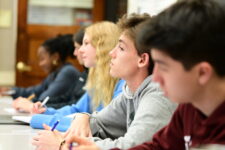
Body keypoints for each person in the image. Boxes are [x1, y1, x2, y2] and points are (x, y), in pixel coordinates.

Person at [61, 0, 225, 150]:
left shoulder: (163, 96)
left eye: (164, 67)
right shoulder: (189, 108)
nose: (156, 78)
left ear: (202, 73)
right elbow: (155, 147)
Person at [32, 14, 177, 150]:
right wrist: (84, 118)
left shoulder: (158, 95)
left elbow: (131, 146)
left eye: (121, 48)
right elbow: (98, 124)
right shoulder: (130, 92)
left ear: (142, 60)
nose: (111, 53)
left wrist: (66, 145)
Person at [29, 21, 125, 133]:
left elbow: (96, 125)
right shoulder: (98, 81)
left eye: (86, 43)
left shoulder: (122, 85)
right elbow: (77, 110)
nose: (80, 50)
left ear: (102, 46)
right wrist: (45, 111)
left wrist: (38, 119)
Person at [1, 34, 81, 110]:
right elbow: (35, 91)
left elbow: (45, 98)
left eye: (42, 59)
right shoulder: (54, 73)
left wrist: (27, 103)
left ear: (55, 57)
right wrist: (10, 91)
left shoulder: (68, 72)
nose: (40, 64)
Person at [37, 28, 88, 109]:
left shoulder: (68, 71)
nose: (75, 53)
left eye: (78, 47)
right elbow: (67, 98)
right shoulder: (84, 73)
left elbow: (75, 106)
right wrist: (40, 105)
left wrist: (43, 107)